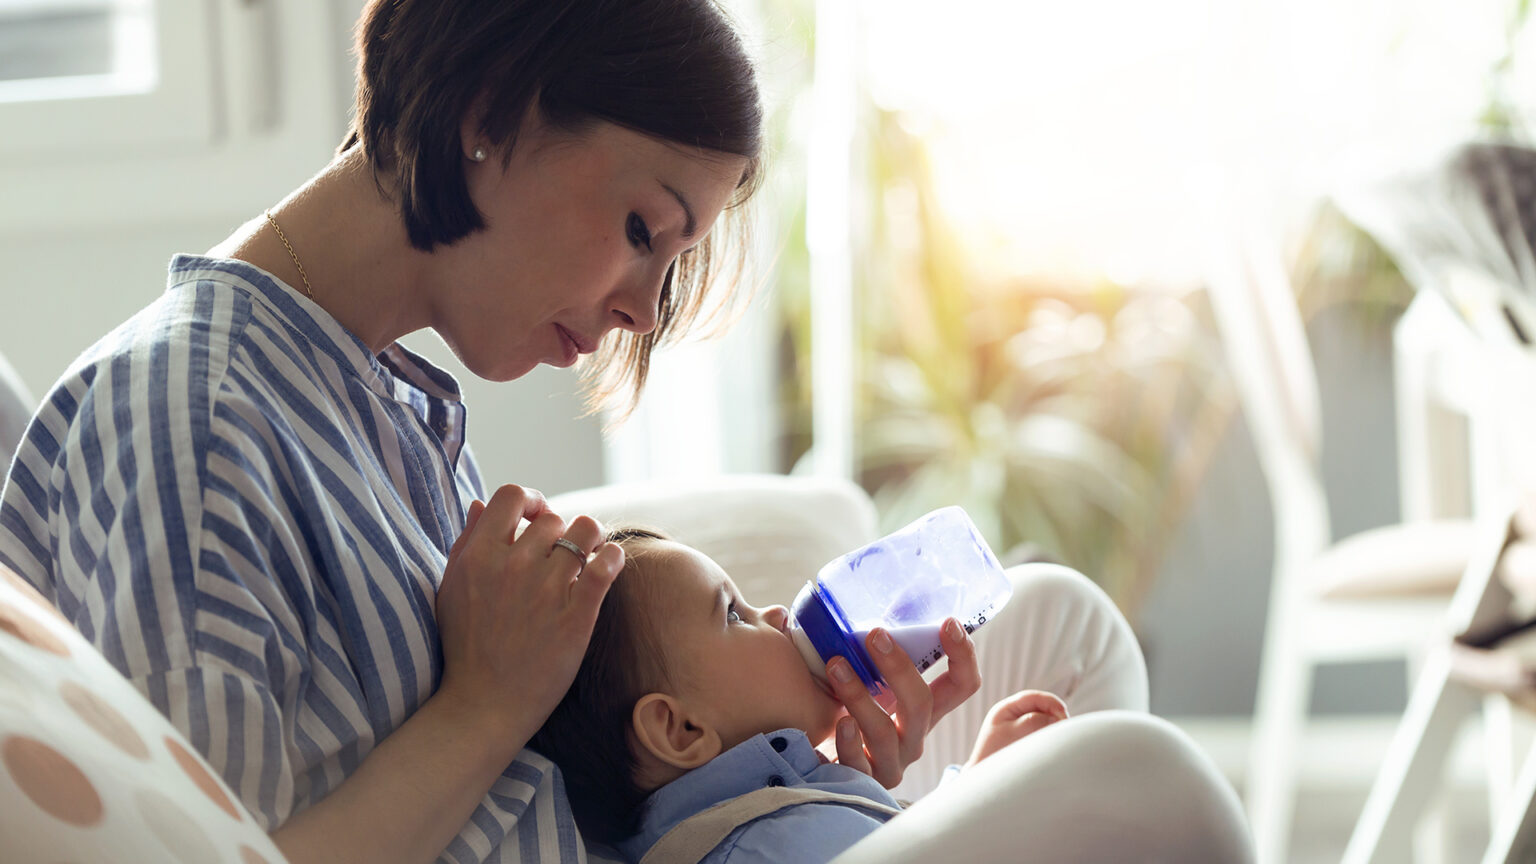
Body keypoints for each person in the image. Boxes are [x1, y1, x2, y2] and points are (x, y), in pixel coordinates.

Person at [0, 2, 995, 862]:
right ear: (489, 115)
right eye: (644, 229)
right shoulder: (201, 423)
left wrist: (802, 779)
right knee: (1124, 763)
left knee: (1049, 626)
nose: (644, 315)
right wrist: (484, 707)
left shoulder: (374, 393)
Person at [527, 527, 1071, 863]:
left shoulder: (776, 818)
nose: (778, 614)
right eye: (734, 613)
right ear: (680, 730)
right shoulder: (777, 847)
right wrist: (993, 805)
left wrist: (973, 788)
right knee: (1122, 752)